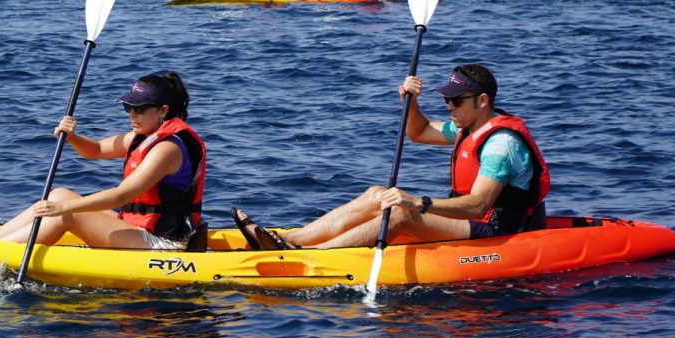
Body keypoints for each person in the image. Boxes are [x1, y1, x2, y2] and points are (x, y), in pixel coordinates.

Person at [233, 64, 549, 250]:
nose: (449, 106)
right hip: (468, 220)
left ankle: (315, 254)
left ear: (482, 101)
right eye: (447, 99)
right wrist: (410, 102)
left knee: (400, 213)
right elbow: (419, 132)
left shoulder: (501, 144)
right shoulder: (466, 127)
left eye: (456, 100)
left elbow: (478, 205)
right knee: (377, 194)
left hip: (495, 230)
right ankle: (291, 238)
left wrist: (417, 203)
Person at [0, 72, 206, 250]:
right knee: (58, 194)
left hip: (163, 243)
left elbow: (121, 195)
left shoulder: (167, 149)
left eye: (140, 108)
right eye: (128, 107)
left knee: (66, 211)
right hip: (137, 226)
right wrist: (72, 137)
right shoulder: (140, 137)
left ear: (163, 111)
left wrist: (63, 209)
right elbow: (96, 150)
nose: (131, 114)